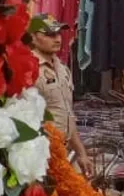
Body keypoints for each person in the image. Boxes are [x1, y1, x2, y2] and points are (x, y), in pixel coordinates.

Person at [30, 13, 94, 177]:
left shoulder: (63, 70)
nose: (58, 39)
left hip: (61, 153)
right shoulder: (29, 68)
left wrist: (81, 153)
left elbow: (68, 115)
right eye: (50, 34)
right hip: (38, 154)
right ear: (33, 37)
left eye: (58, 33)